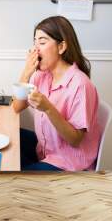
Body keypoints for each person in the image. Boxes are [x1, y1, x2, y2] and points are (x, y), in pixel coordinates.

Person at [13, 16, 101, 171]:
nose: (35, 49)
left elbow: (75, 140)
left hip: (68, 161)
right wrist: (26, 73)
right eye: (34, 42)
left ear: (61, 47)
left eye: (42, 42)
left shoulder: (81, 84)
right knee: (10, 137)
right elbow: (17, 106)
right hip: (46, 149)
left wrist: (48, 108)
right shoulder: (42, 75)